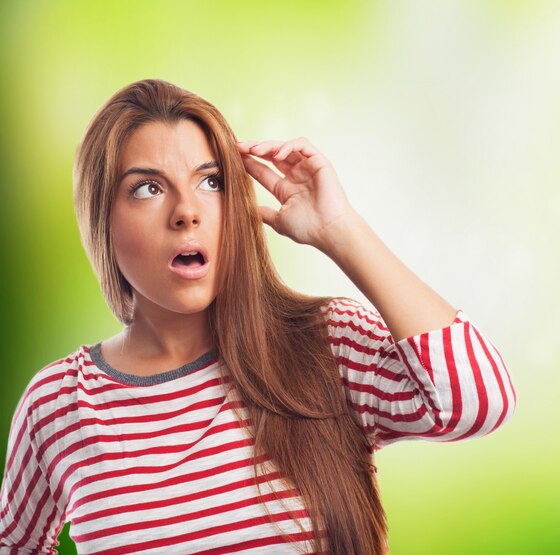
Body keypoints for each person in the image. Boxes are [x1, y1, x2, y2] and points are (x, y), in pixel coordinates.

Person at [0, 79, 516, 555]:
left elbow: (476, 401)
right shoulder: (58, 406)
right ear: (101, 218)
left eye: (212, 181)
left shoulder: (325, 345)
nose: (186, 211)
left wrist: (341, 230)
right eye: (148, 188)